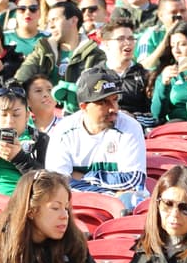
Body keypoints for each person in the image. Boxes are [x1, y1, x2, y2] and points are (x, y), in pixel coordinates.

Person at [44, 70, 148, 205]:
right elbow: (57, 183)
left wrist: (83, 177)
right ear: (84, 107)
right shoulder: (63, 130)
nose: (113, 108)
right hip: (80, 203)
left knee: (129, 201)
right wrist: (111, 194)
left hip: (125, 205)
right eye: (103, 102)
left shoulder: (130, 127)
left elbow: (134, 179)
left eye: (115, 100)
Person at [15, 2, 106, 103]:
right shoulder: (42, 50)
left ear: (73, 20)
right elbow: (20, 79)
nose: (51, 26)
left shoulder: (94, 55)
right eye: (49, 21)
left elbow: (100, 91)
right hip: (44, 109)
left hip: (80, 109)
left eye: (55, 20)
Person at [99, 19, 154, 129]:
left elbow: (156, 117)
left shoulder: (146, 76)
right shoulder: (95, 75)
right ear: (106, 44)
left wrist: (133, 117)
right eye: (121, 39)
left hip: (136, 131)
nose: (128, 43)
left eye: (131, 38)